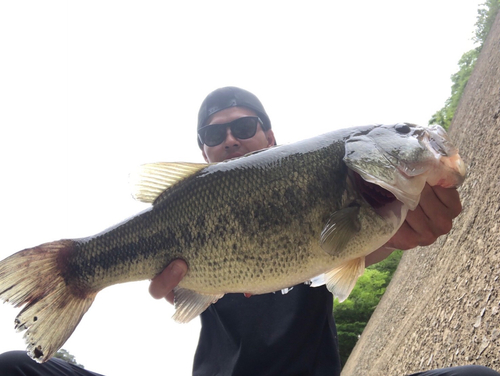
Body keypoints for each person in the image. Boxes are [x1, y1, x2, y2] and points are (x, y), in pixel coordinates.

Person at [0, 87, 497, 376]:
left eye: (245, 125)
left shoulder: (353, 199)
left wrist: (396, 233)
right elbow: (185, 295)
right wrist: (185, 292)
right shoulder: (193, 207)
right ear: (204, 155)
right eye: (215, 135)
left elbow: (360, 250)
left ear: (271, 136)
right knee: (13, 368)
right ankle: (74, 269)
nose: (232, 139)